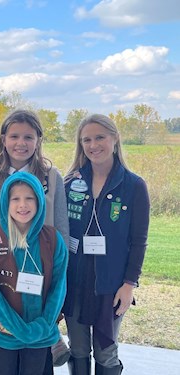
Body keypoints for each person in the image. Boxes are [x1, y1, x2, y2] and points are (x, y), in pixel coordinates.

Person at [0, 109, 70, 370]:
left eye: (28, 136)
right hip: (2, 269)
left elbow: (61, 225)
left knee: (38, 362)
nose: (21, 143)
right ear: (3, 139)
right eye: (14, 136)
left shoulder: (52, 176)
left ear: (38, 140)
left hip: (43, 265)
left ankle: (51, 339)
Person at [62, 114, 150, 375]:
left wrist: (129, 284)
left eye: (100, 137)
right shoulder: (71, 183)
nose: (93, 145)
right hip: (75, 280)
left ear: (114, 138)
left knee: (106, 351)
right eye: (86, 140)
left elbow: (139, 241)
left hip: (111, 284)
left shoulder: (134, 186)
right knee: (77, 348)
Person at [0, 172, 68, 375]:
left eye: (29, 198)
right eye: (15, 199)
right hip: (5, 333)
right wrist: (17, 328)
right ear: (5, 203)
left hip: (40, 331)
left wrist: (42, 325)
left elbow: (58, 286)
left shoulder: (53, 239)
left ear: (39, 201)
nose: (22, 205)